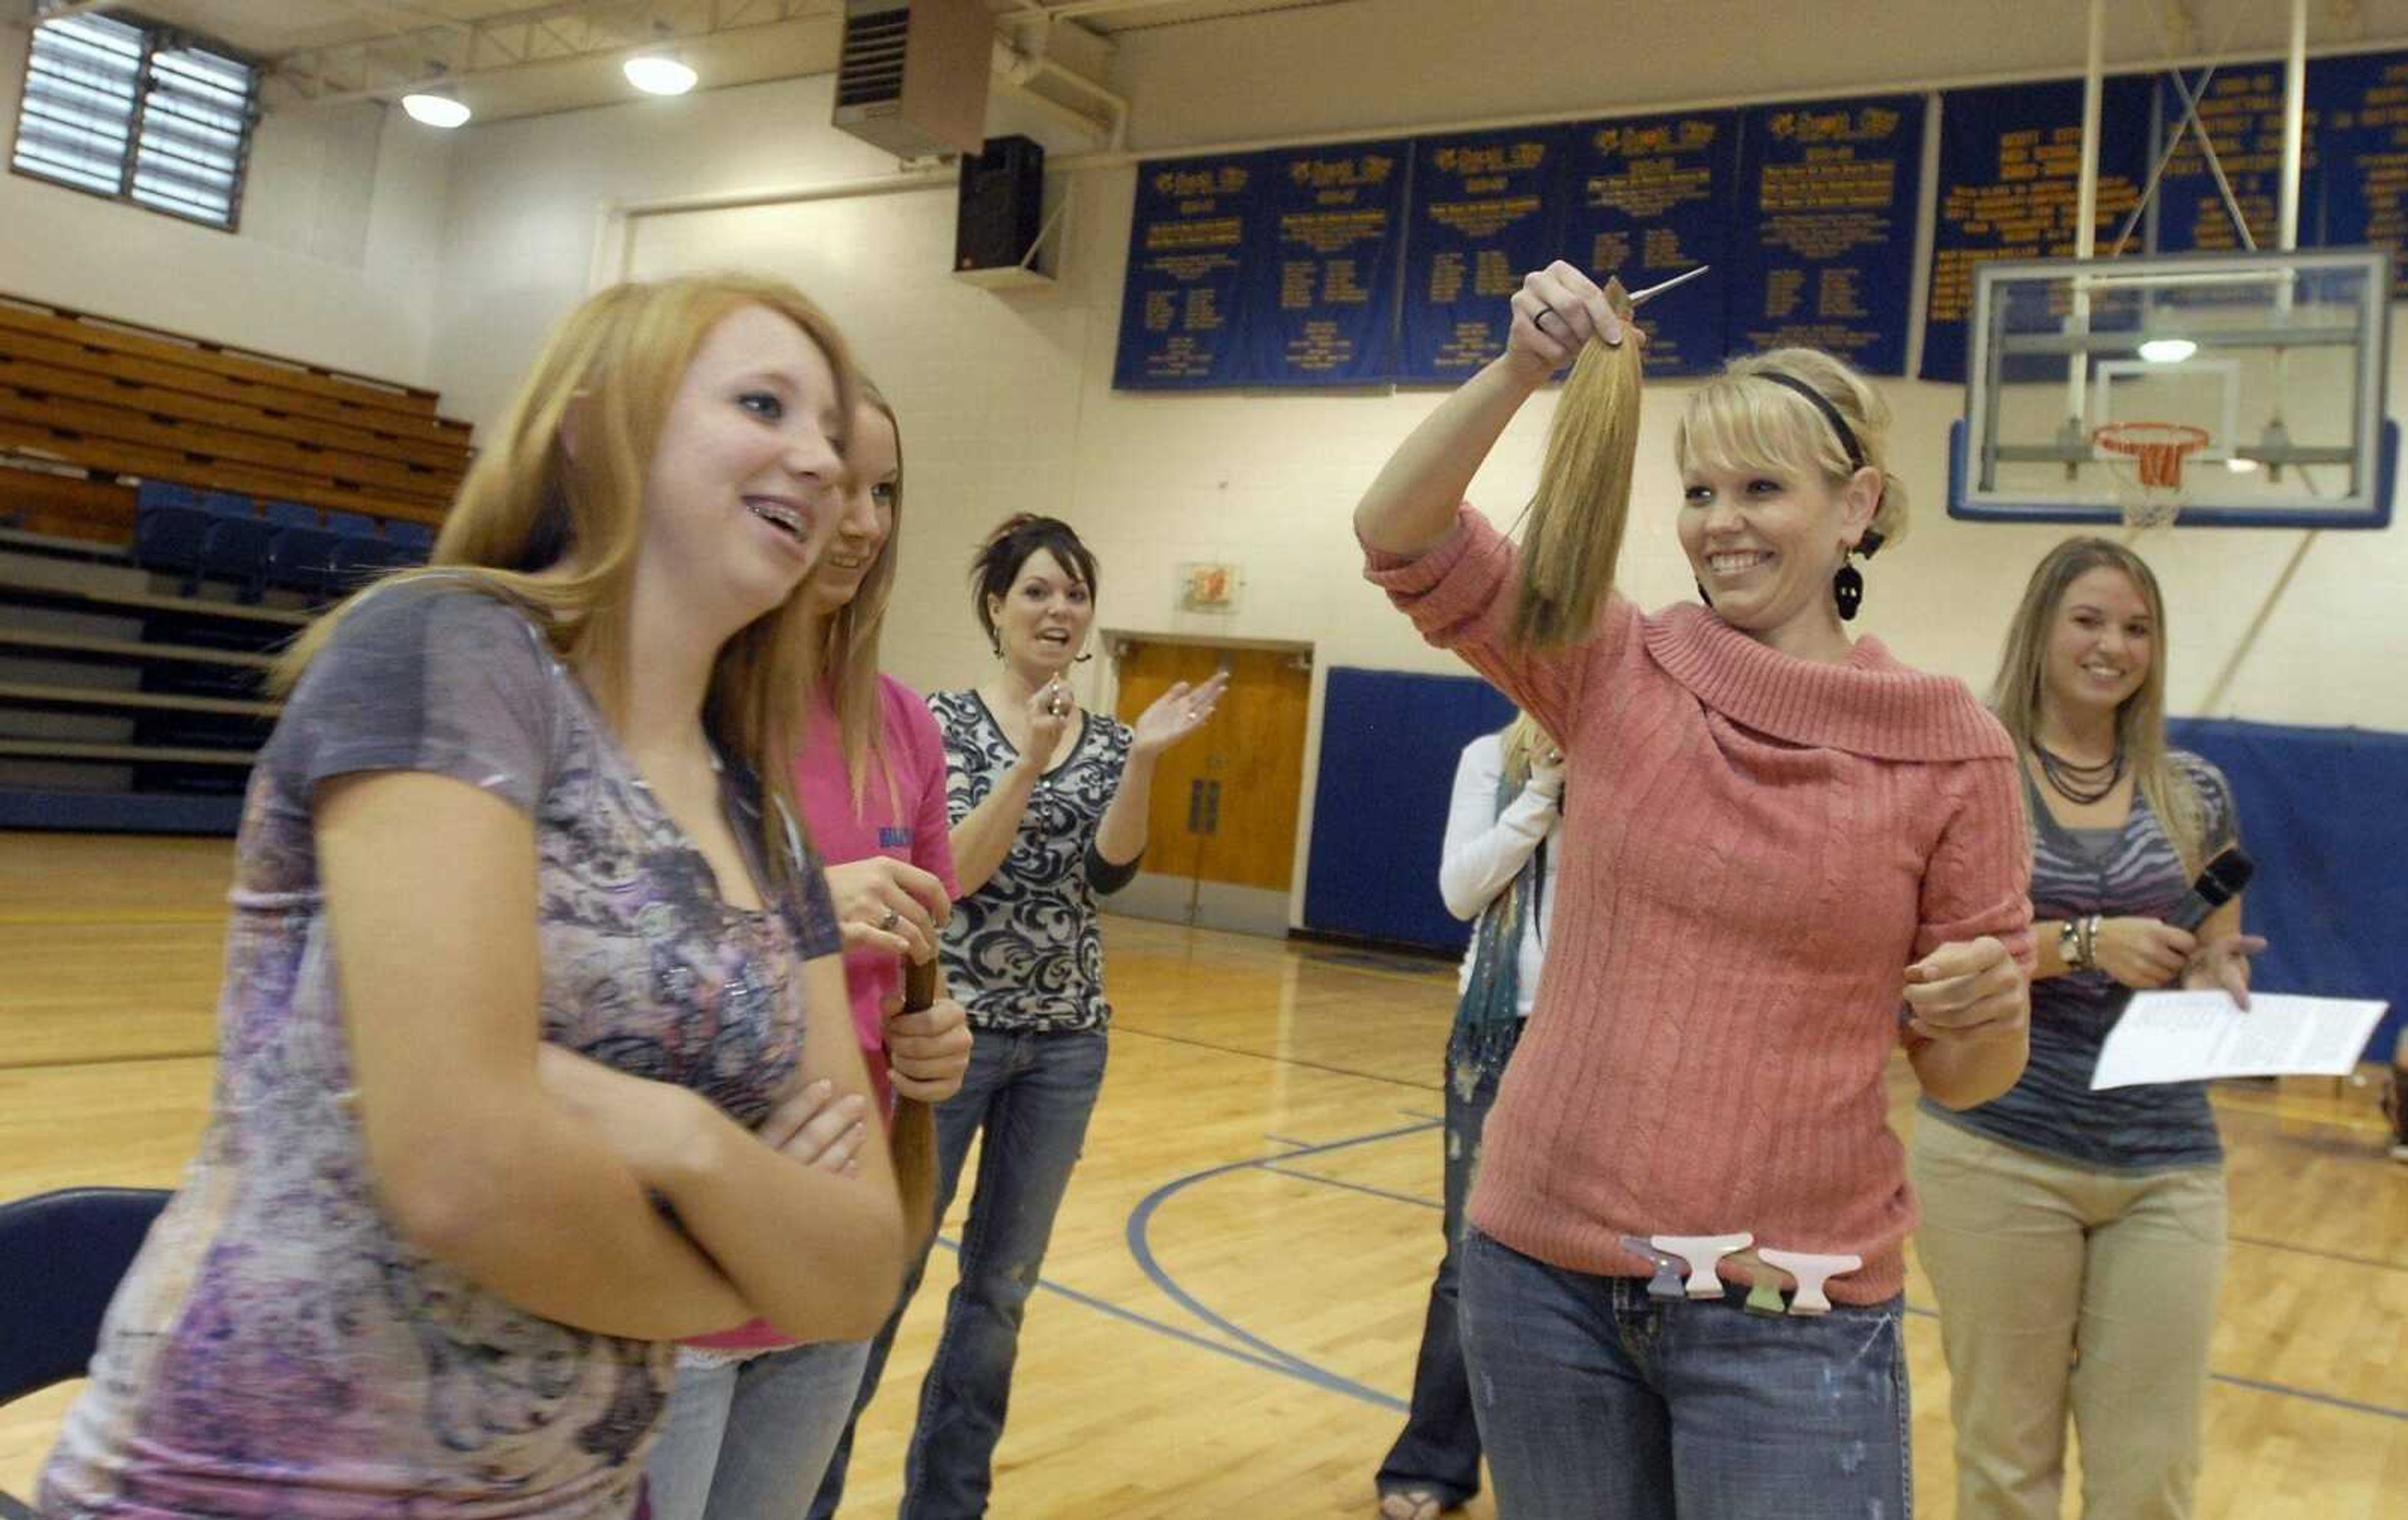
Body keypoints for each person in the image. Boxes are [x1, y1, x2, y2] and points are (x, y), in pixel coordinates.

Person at [38, 273, 912, 1520]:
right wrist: (738, 1267)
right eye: (765, 403)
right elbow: (465, 1174)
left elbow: (856, 1275)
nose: (821, 463)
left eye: (831, 433)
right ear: (594, 423)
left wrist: (681, 1138)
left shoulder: (761, 818)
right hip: (253, 1488)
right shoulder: (451, 650)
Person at [1353, 259, 2034, 1519]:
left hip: (1784, 1290)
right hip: (1541, 1270)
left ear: (1858, 507)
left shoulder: (1951, 749)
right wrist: (1518, 368)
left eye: (1762, 488)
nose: (1719, 521)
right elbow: (1400, 533)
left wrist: (1983, 1015)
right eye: (1701, 490)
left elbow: (1969, 1077)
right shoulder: (1617, 669)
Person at [811, 513, 1227, 1520]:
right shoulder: (936, 722)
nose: (1059, 609)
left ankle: (947, 1505)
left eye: (1075, 593)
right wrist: (1029, 762)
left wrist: (1141, 760)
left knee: (999, 1294)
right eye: (1038, 590)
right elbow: (950, 877)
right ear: (995, 608)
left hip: (1066, 1041)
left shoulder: (1108, 734)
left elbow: (1109, 874)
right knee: (891, 1273)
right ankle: (807, 1494)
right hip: (945, 1035)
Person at [644, 383, 974, 1520]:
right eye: (843, 486)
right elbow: (587, 974)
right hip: (674, 1266)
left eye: (888, 492)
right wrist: (800, 911)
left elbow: (921, 957)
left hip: (828, 1266)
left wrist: (936, 1039)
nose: (868, 521)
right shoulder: (669, 703)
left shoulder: (902, 725)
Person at [1913, 537, 2263, 1520]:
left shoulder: (2193, 789)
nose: (2115, 645)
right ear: (2042, 629)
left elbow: (2210, 950)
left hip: (2168, 1159)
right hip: (2001, 1149)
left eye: (2138, 628)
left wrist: (2209, 972)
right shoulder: (1972, 767)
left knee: (2151, 1474)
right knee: (2005, 1466)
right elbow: (1923, 964)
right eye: (2091, 620)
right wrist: (2082, 942)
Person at [1376, 711, 1563, 1520]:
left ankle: (1568, 1470)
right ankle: (1435, 1460)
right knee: (1471, 1260)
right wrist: (1545, 795)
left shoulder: (1639, 760)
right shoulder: (1491, 758)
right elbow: (1460, 891)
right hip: (1495, 1035)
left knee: (1593, 1266)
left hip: (1603, 1039)